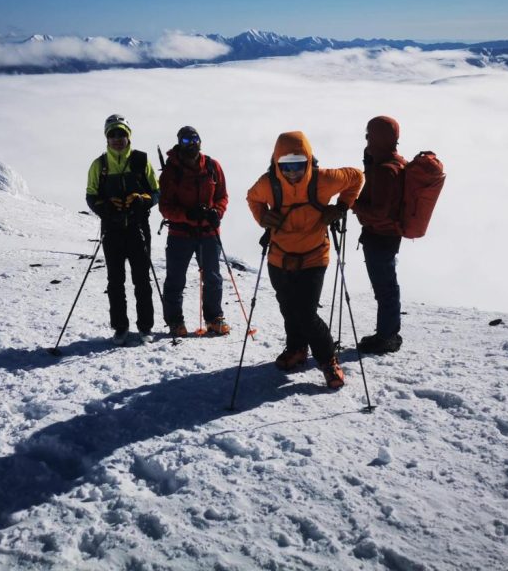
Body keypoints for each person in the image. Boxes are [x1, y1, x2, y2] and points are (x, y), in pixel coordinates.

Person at [246, 131, 363, 388]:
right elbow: (252, 198)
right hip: (279, 258)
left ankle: (328, 360)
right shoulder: (268, 184)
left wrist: (342, 207)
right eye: (285, 166)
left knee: (306, 313)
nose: (292, 172)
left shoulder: (324, 180)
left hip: (313, 257)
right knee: (289, 308)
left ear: (309, 161)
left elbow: (357, 177)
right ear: (276, 163)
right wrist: (262, 217)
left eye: (298, 165)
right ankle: (297, 349)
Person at [85, 114, 160, 345]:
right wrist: (105, 207)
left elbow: (156, 192)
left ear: (129, 136)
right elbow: (91, 196)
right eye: (112, 134)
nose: (117, 138)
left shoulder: (141, 161)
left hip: (138, 227)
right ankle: (120, 326)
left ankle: (145, 326)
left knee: (142, 280)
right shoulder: (100, 165)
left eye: (122, 134)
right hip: (112, 229)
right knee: (115, 281)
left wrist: (142, 200)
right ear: (107, 138)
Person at [158, 125, 230, 338]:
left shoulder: (211, 166)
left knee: (213, 277)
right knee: (175, 279)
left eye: (195, 139)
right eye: (187, 141)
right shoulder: (171, 171)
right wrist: (189, 215)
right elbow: (165, 207)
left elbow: (222, 196)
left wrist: (216, 212)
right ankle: (175, 321)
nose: (192, 144)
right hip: (180, 234)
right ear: (180, 144)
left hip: (208, 232)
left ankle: (214, 318)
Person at [351, 115, 406, 354]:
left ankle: (386, 337)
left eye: (369, 135)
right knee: (387, 286)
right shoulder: (394, 161)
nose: (366, 138)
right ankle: (388, 332)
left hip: (379, 236)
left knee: (385, 288)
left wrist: (354, 205)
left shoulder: (385, 170)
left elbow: (379, 211)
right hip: (389, 235)